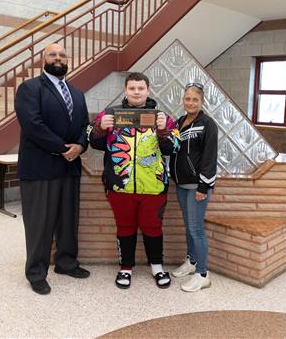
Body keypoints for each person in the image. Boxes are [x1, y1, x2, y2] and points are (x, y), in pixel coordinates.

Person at [89, 72, 180, 289]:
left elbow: (175, 147)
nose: (136, 92)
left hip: (154, 186)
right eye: (132, 88)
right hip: (120, 186)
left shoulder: (162, 117)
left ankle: (157, 267)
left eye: (141, 88)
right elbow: (93, 141)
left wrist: (163, 132)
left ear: (148, 90)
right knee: (125, 227)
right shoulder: (110, 114)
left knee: (153, 227)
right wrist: (101, 127)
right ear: (126, 90)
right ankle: (125, 268)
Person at [14, 43, 90, 295]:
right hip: (40, 167)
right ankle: (36, 272)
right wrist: (62, 148)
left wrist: (79, 145)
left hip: (70, 167)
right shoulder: (30, 88)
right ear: (42, 59)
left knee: (68, 219)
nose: (58, 58)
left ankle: (66, 262)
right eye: (53, 55)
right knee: (40, 223)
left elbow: (85, 126)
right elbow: (32, 124)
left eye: (62, 55)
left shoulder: (77, 93)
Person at [169, 82, 218, 292]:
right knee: (189, 226)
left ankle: (203, 274)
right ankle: (191, 262)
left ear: (202, 101)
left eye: (195, 99)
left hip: (197, 186)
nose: (190, 102)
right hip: (181, 183)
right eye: (187, 98)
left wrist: (203, 187)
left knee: (196, 229)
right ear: (183, 100)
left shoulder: (208, 123)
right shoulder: (180, 122)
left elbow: (209, 157)